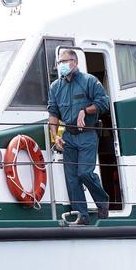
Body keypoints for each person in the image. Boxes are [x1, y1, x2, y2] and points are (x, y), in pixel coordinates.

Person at [48, 49, 112, 225]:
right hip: (69, 136)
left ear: (74, 62)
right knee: (72, 178)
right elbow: (53, 113)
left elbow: (103, 102)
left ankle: (102, 201)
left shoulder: (89, 81)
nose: (61, 65)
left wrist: (85, 110)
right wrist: (55, 136)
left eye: (64, 61)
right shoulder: (55, 87)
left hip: (87, 134)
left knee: (84, 172)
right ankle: (81, 215)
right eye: (59, 62)